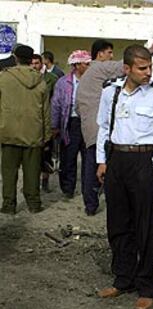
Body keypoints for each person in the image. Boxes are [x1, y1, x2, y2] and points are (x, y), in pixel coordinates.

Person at [95, 44, 153, 309]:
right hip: (116, 160)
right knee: (118, 224)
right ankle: (123, 279)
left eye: (150, 67)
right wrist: (101, 161)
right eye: (142, 68)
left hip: (144, 161)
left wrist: (152, 164)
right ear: (127, 68)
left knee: (146, 227)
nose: (148, 72)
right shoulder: (111, 91)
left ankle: (146, 286)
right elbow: (104, 128)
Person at [76, 39, 153, 215]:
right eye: (109, 53)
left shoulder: (89, 74)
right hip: (103, 128)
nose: (111, 56)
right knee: (101, 167)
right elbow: (126, 65)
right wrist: (150, 50)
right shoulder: (100, 68)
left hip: (90, 126)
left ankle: (91, 203)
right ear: (99, 54)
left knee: (92, 164)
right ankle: (99, 202)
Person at [0, 45, 51, 214]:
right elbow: (45, 111)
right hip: (33, 133)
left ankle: (9, 205)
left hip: (8, 132)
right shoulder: (41, 80)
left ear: (15, 58)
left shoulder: (4, 78)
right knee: (32, 172)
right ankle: (34, 204)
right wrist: (47, 135)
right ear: (31, 60)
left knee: (8, 172)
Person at [51, 50, 91, 202]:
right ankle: (68, 188)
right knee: (68, 158)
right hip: (70, 123)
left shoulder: (93, 82)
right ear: (77, 65)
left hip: (88, 124)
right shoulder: (63, 82)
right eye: (86, 64)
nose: (89, 66)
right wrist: (55, 126)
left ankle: (88, 188)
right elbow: (56, 105)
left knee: (89, 158)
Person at [31, 54, 59, 192]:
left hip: (46, 121)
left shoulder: (52, 79)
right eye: (32, 63)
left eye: (36, 63)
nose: (34, 66)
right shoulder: (28, 79)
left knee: (46, 154)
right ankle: (32, 183)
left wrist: (54, 123)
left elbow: (55, 102)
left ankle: (45, 181)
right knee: (32, 156)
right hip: (30, 121)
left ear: (42, 63)